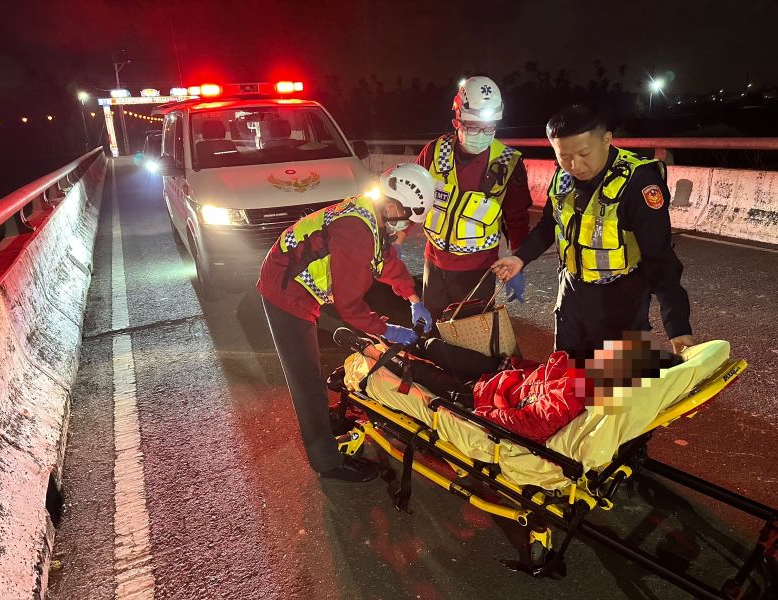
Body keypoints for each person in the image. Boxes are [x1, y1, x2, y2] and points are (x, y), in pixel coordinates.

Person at [258, 163, 436, 482]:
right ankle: (327, 462)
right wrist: (388, 330)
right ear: (394, 205)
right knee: (307, 380)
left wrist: (413, 299)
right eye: (408, 219)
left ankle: (322, 420)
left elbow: (385, 261)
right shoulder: (356, 232)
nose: (407, 228)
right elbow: (350, 307)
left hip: (291, 277)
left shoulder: (373, 212)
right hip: (285, 290)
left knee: (310, 373)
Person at [492, 104, 697, 358]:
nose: (575, 165)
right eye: (564, 156)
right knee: (568, 371)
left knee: (617, 376)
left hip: (621, 300)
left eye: (584, 153)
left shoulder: (638, 182)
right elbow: (549, 224)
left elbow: (660, 258)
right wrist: (520, 258)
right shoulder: (563, 177)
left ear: (606, 140)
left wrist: (678, 327)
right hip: (571, 295)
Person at [334, 328, 682, 444]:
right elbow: (543, 374)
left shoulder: (578, 392)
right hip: (505, 376)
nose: (610, 351)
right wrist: (511, 366)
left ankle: (371, 350)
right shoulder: (586, 377)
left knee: (422, 374)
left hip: (482, 395)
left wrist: (484, 413)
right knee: (436, 349)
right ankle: (401, 343)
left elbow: (530, 423)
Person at [415, 76, 533, 322]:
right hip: (434, 264)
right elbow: (412, 196)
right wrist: (396, 237)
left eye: (489, 127)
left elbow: (517, 219)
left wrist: (519, 261)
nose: (481, 134)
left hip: (477, 271)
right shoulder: (434, 152)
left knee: (470, 335)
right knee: (432, 329)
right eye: (472, 126)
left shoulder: (508, 163)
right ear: (456, 121)